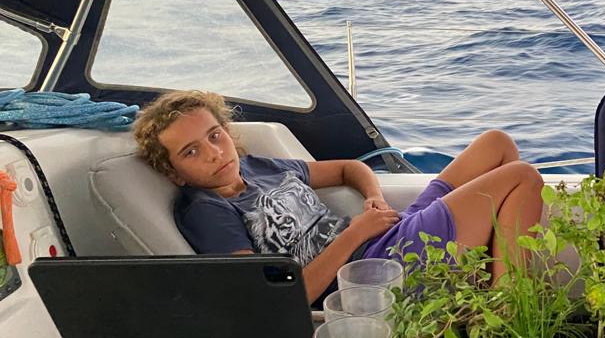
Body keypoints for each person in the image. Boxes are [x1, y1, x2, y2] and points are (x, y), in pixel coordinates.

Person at [133, 90, 543, 303]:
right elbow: (276, 300)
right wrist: (355, 234)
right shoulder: (207, 210)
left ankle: (482, 285)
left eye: (214, 135)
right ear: (173, 172)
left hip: (381, 234)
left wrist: (374, 199)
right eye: (191, 152)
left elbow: (350, 168)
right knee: (522, 178)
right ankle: (506, 314)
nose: (213, 153)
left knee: (496, 144)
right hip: (370, 272)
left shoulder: (260, 167)